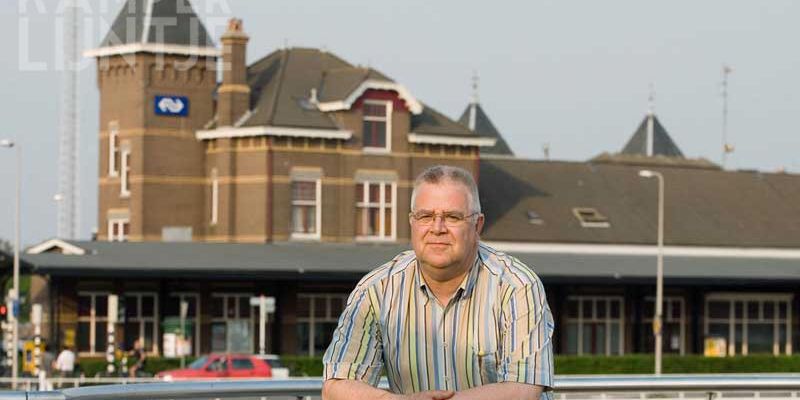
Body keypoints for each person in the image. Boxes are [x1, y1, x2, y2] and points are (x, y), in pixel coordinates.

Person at [322, 165, 554, 400]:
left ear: (478, 226)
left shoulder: (517, 287)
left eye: (452, 217)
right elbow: (336, 388)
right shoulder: (376, 291)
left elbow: (525, 389)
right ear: (412, 222)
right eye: (425, 216)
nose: (437, 228)